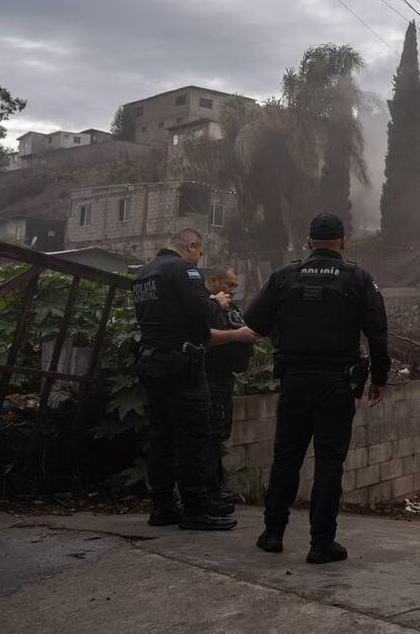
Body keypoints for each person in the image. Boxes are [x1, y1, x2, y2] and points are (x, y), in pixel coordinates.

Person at [242, 213, 390, 564]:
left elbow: (253, 322)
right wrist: (379, 379)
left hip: (294, 380)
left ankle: (272, 533)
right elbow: (378, 333)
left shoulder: (283, 276)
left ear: (308, 242)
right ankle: (321, 543)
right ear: (343, 242)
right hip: (336, 383)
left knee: (286, 457)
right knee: (329, 464)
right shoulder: (358, 278)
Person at [132, 229, 252, 531]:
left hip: (151, 360)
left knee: (161, 436)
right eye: (199, 252)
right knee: (194, 437)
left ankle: (161, 506)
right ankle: (196, 509)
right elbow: (201, 311)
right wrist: (219, 304)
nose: (199, 258)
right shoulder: (183, 269)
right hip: (181, 364)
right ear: (191, 246)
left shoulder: (144, 273)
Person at [203, 265, 254, 511]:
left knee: (219, 433)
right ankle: (208, 495)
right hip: (208, 376)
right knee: (209, 435)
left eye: (235, 285)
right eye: (229, 284)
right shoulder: (207, 306)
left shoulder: (230, 308)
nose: (233, 290)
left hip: (225, 377)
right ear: (213, 281)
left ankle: (216, 490)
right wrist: (236, 336)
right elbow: (204, 336)